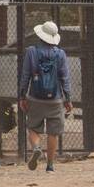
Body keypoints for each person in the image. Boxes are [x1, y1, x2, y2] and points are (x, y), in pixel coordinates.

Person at [17, 20, 71, 173]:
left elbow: (25, 76)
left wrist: (22, 96)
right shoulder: (60, 54)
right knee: (53, 133)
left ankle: (36, 148)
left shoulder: (31, 52)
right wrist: (68, 98)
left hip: (35, 98)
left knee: (33, 128)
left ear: (40, 35)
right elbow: (64, 78)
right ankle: (50, 166)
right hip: (55, 99)